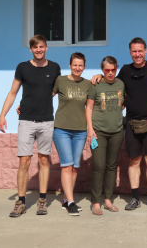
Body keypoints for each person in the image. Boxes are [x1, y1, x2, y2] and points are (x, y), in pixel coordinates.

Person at [91, 37, 147, 212]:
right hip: (131, 122)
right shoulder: (125, 70)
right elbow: (111, 82)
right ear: (130, 52)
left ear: (145, 51)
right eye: (134, 51)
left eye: (140, 51)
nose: (137, 54)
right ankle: (135, 198)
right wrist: (98, 75)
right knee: (134, 161)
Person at [0, 34, 61, 218]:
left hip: (47, 121)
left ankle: (42, 200)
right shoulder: (22, 67)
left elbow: (56, 90)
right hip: (26, 121)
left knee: (43, 160)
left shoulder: (55, 67)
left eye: (41, 47)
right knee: (24, 161)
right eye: (35, 47)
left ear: (46, 47)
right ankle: (21, 202)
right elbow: (12, 92)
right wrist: (2, 115)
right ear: (31, 49)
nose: (39, 50)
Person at [85, 56, 125, 215]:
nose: (110, 73)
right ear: (102, 70)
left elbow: (122, 104)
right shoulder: (95, 84)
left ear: (116, 69)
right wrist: (90, 129)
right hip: (98, 131)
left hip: (117, 131)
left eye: (113, 69)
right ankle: (96, 202)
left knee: (111, 166)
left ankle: (108, 199)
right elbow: (88, 108)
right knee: (99, 166)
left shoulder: (121, 84)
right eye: (106, 70)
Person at [52, 52, 90, 216]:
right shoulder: (60, 81)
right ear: (69, 65)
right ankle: (71, 202)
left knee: (74, 167)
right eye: (75, 65)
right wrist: (24, 106)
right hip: (61, 129)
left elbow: (90, 108)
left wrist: (90, 129)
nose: (77, 68)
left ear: (84, 66)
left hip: (80, 130)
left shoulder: (88, 84)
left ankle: (67, 199)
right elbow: (45, 97)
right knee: (67, 165)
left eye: (80, 65)